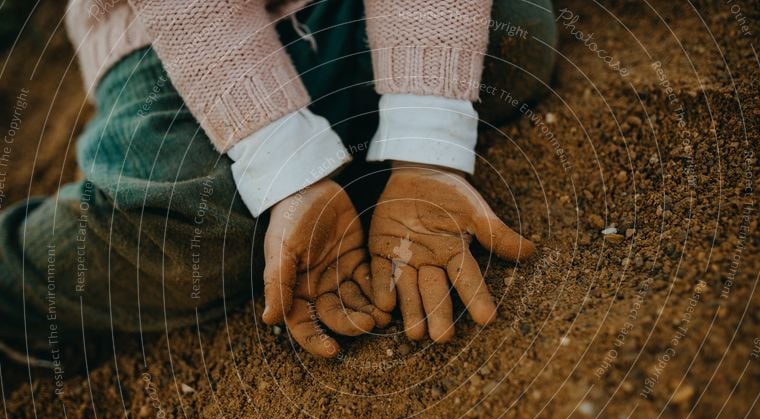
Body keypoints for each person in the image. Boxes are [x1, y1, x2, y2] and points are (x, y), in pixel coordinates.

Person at [0, 0, 556, 363]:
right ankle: (14, 286)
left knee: (516, 34)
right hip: (164, 34)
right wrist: (286, 169)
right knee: (202, 216)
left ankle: (341, 149)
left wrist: (426, 147)